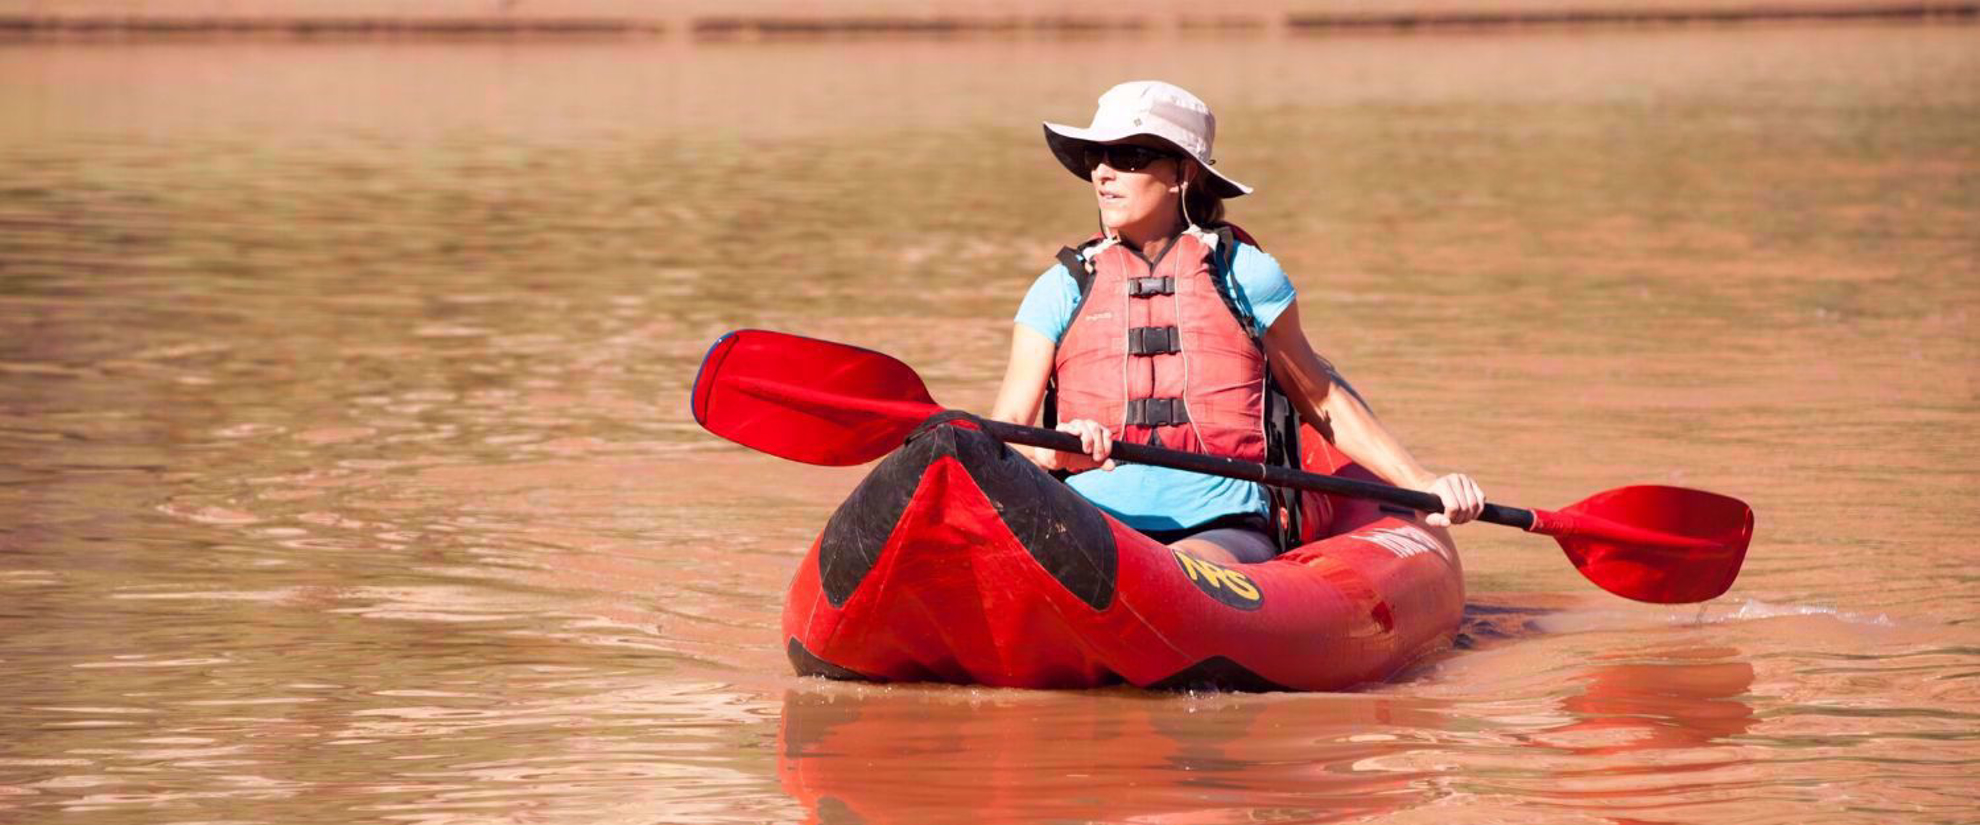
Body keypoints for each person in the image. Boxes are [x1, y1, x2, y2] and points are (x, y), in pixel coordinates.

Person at [987, 80, 1485, 566]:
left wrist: (1422, 482)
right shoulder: (1060, 287)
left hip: (1220, 528)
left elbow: (1322, 398)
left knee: (1178, 567)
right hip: (1090, 523)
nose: (1103, 174)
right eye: (1097, 158)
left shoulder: (1246, 273)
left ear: (1184, 173)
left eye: (1129, 157)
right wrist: (1053, 455)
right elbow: (1007, 432)